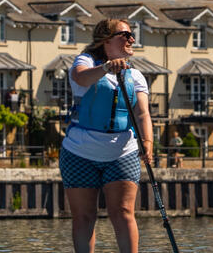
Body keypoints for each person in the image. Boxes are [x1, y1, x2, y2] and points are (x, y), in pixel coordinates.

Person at [61, 18, 153, 253]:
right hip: (79, 151)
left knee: (123, 213)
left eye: (133, 35)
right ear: (106, 41)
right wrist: (105, 68)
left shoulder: (137, 76)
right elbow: (80, 77)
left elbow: (142, 113)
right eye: (125, 35)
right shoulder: (86, 61)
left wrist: (148, 142)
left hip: (122, 152)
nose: (132, 39)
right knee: (84, 216)